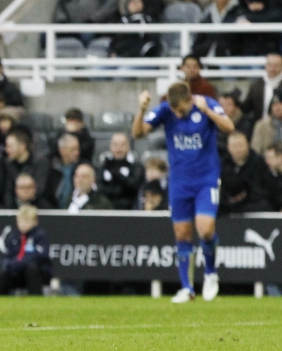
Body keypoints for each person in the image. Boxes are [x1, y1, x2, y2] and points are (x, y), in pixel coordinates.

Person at [133, 82, 234, 303]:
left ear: (190, 99)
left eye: (181, 109)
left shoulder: (206, 104)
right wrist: (141, 110)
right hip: (179, 181)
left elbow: (229, 127)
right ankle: (187, 289)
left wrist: (207, 111)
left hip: (206, 178)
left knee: (205, 230)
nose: (177, 114)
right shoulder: (165, 110)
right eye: (175, 110)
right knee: (182, 234)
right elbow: (138, 134)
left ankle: (210, 273)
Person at [0, 205, 51, 295]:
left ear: (35, 222)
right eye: (20, 221)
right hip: (17, 271)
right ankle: (0, 301)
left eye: (27, 221)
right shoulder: (13, 236)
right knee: (4, 275)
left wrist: (20, 262)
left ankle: (35, 298)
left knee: (31, 269)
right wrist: (10, 264)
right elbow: (7, 255)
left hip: (38, 272)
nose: (23, 224)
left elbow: (41, 255)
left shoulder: (40, 235)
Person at [221, 130, 274, 213]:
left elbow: (264, 187)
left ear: (248, 145)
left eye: (241, 145)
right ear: (228, 147)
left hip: (253, 202)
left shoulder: (258, 161)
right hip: (228, 204)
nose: (238, 149)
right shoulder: (223, 163)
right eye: (235, 146)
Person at [98, 132, 144, 210]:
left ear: (128, 147)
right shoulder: (103, 166)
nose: (119, 149)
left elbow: (134, 187)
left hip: (130, 210)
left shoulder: (136, 167)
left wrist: (116, 174)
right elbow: (99, 188)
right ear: (110, 147)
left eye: (123, 145)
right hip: (106, 210)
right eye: (115, 145)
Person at [243, 52, 282, 119]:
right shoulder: (256, 86)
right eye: (270, 65)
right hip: (261, 126)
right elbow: (246, 108)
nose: (272, 69)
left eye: (276, 66)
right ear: (265, 66)